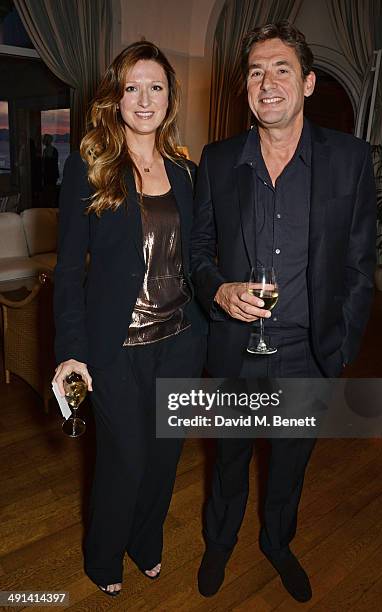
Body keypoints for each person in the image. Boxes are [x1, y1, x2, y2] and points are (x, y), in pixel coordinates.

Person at [191, 21, 376, 603]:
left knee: (289, 465)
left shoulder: (348, 159)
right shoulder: (218, 160)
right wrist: (219, 290)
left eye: (281, 70)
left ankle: (276, 541)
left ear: (309, 82)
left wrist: (338, 351)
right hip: (233, 348)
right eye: (254, 72)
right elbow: (198, 252)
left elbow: (360, 265)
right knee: (228, 459)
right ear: (244, 86)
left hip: (306, 351)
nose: (266, 82)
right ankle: (219, 541)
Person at [53, 41, 206, 596]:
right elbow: (69, 268)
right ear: (116, 99)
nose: (145, 99)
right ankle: (102, 559)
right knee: (126, 459)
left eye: (156, 87)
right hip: (116, 346)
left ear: (170, 97)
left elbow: (199, 259)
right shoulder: (89, 168)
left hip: (181, 343)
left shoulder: (187, 173)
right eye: (132, 87)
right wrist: (72, 348)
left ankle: (147, 544)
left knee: (165, 459)